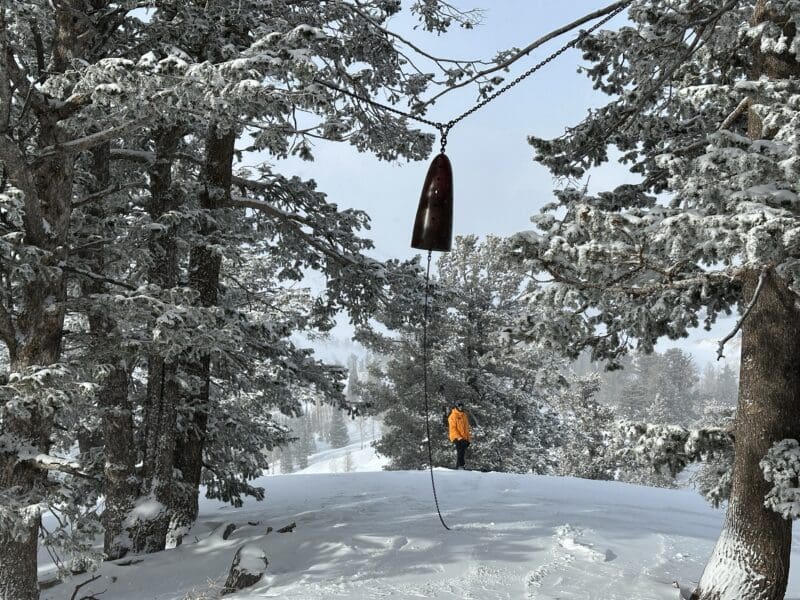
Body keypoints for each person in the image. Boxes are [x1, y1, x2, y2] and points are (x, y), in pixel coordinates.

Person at [447, 402, 471, 470]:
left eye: (462, 406)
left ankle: (459, 466)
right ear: (456, 407)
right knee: (460, 451)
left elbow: (466, 428)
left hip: (464, 438)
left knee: (462, 452)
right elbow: (453, 428)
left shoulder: (464, 415)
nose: (461, 408)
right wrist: (459, 438)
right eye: (459, 406)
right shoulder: (453, 416)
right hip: (456, 437)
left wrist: (468, 439)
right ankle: (460, 466)